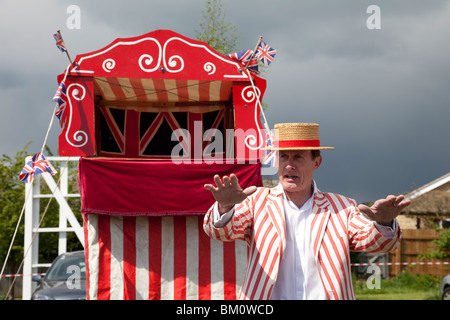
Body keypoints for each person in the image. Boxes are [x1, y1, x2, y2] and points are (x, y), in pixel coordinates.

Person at [203, 123, 410, 300]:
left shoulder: (342, 206)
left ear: (316, 162)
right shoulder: (257, 200)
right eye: (284, 157)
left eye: (298, 157)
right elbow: (221, 232)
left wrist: (383, 223)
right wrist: (225, 207)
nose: (289, 165)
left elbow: (376, 242)